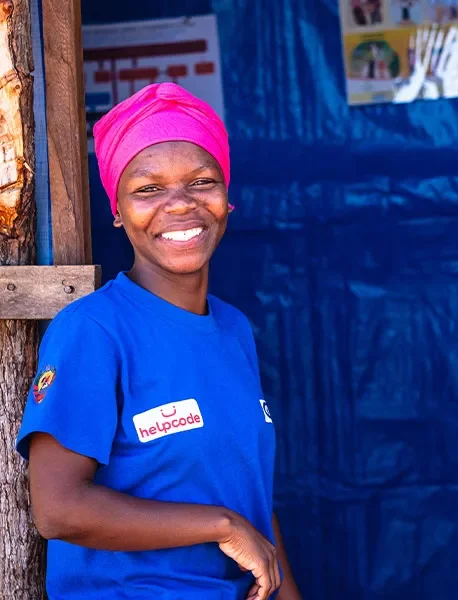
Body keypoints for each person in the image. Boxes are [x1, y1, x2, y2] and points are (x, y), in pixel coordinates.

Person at [16, 82, 303, 600]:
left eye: (201, 181)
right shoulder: (93, 330)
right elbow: (57, 509)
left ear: (226, 201)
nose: (180, 205)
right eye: (148, 189)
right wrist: (222, 526)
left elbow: (246, 492)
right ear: (118, 211)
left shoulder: (233, 330)